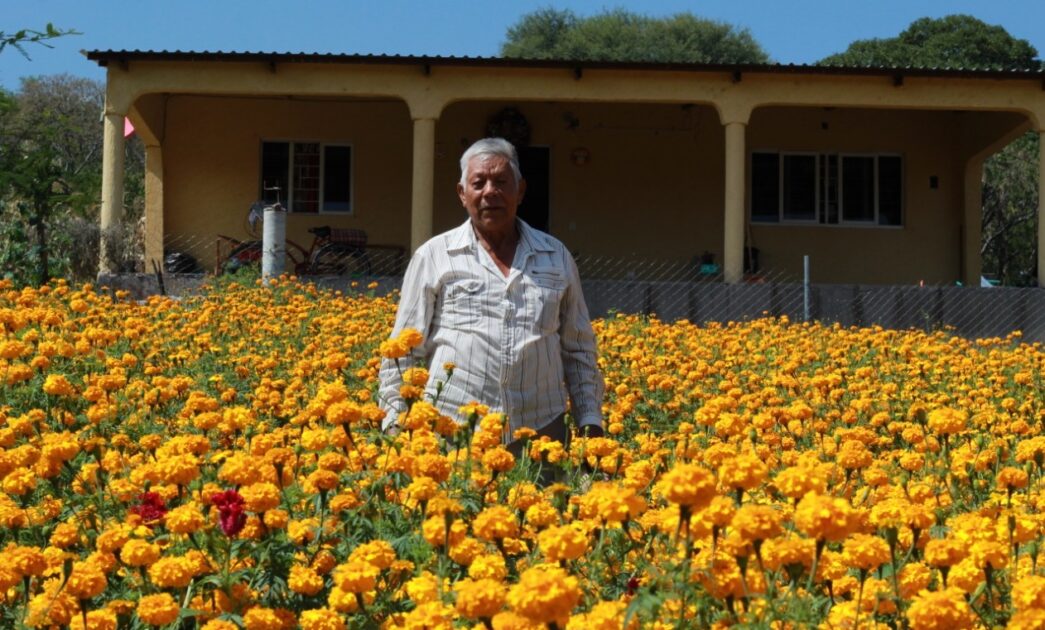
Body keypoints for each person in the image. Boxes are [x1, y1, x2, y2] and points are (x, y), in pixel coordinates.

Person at [378, 137, 604, 450]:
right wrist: (395, 426)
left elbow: (579, 348)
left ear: (520, 191)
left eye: (501, 182)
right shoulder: (434, 256)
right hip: (452, 435)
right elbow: (402, 350)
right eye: (478, 182)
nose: (490, 192)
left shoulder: (556, 256)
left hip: (541, 434)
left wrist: (590, 421)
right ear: (462, 193)